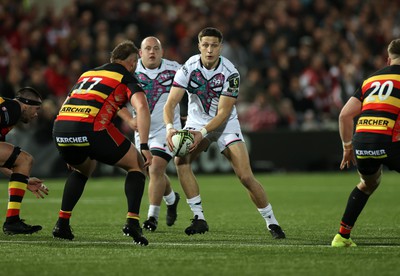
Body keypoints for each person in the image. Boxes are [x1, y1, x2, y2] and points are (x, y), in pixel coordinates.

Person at [163, 27, 285, 239]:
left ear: (221, 47)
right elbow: (170, 103)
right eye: (205, 45)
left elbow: (223, 113)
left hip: (225, 125)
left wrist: (202, 132)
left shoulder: (231, 73)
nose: (209, 49)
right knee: (180, 161)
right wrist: (169, 128)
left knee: (245, 176)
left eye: (214, 45)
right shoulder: (187, 68)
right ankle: (199, 218)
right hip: (195, 122)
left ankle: (272, 222)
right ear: (199, 46)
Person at [52, 40, 153, 246]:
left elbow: (72, 101)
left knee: (83, 168)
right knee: (136, 165)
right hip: (91, 129)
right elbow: (141, 106)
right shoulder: (126, 77)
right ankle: (132, 222)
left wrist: (70, 143)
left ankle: (62, 223)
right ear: (133, 62)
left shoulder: (87, 74)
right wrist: (144, 146)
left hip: (60, 129)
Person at [331, 38, 400, 247]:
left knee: (368, 184)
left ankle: (342, 236)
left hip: (362, 142)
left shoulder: (370, 80)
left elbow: (344, 115)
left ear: (388, 59)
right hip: (391, 141)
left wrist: (347, 147)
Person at [127, 36, 182, 231]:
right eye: (148, 49)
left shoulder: (176, 69)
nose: (152, 52)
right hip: (142, 131)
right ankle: (171, 198)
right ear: (140, 53)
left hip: (167, 129)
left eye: (156, 49)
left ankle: (152, 217)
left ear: (162, 52)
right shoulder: (131, 72)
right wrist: (128, 119)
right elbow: (113, 100)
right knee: (153, 172)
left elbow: (193, 93)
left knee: (156, 168)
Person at [1, 86, 49, 235]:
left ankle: (13, 221)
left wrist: (23, 179)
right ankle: (12, 221)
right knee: (25, 159)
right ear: (26, 105)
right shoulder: (13, 109)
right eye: (37, 109)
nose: (36, 114)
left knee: (23, 160)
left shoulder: (8, 109)